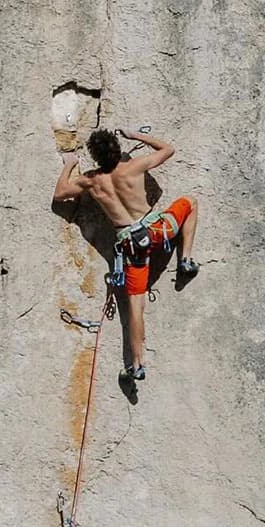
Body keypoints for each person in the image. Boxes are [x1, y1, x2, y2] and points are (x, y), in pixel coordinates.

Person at [53, 127, 199, 380]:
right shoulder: (135, 166)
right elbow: (168, 149)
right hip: (157, 231)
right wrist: (137, 136)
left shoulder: (91, 181)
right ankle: (185, 259)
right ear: (118, 150)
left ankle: (138, 364)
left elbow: (60, 194)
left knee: (134, 306)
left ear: (96, 157)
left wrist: (69, 163)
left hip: (132, 247)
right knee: (191, 203)